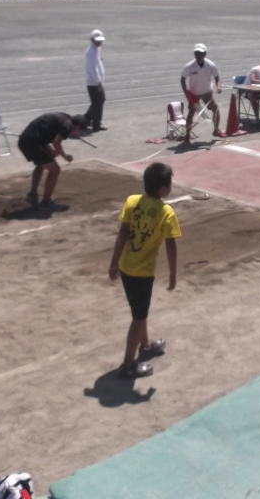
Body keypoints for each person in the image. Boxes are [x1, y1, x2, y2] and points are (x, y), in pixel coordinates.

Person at [108, 162, 180, 379]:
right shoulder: (166, 212)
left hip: (125, 267)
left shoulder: (132, 201)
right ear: (163, 189)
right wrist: (173, 274)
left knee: (140, 310)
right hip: (143, 273)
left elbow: (122, 233)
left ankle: (146, 345)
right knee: (139, 318)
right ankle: (128, 364)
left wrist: (113, 262)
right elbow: (171, 246)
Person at [17, 112, 86, 211]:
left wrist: (52, 151)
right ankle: (46, 202)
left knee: (42, 165)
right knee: (55, 170)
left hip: (27, 140)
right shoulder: (68, 126)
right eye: (80, 131)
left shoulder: (65, 118)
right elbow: (56, 143)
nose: (79, 134)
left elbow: (44, 133)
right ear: (78, 127)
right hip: (33, 143)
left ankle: (33, 194)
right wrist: (65, 157)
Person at [180, 43, 222, 141]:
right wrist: (187, 94)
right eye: (196, 53)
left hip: (207, 92)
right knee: (191, 112)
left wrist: (219, 86)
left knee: (215, 109)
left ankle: (216, 130)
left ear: (205, 54)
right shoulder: (189, 66)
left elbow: (217, 77)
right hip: (194, 93)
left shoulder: (210, 65)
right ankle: (187, 135)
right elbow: (182, 79)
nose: (198, 55)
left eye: (200, 53)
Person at [84, 29, 107, 131]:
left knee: (97, 102)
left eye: (100, 40)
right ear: (92, 40)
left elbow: (96, 63)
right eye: (97, 41)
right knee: (99, 101)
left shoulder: (96, 49)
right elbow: (94, 69)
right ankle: (96, 124)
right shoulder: (91, 52)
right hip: (93, 82)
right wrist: (99, 83)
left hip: (95, 81)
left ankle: (86, 120)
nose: (99, 42)